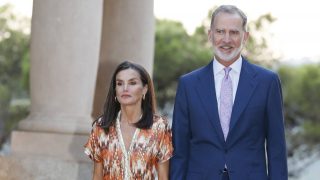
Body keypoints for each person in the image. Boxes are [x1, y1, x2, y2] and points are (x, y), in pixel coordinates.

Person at [170, 5, 288, 180]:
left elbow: (276, 148)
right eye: (220, 31)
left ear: (245, 36)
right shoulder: (188, 84)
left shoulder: (267, 82)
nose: (226, 39)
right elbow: (180, 149)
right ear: (210, 35)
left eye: (234, 32)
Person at [84, 61, 173, 180]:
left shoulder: (159, 127)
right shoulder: (101, 127)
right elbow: (97, 176)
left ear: (144, 89)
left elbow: (163, 177)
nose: (125, 88)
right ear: (115, 90)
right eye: (120, 83)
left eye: (132, 83)